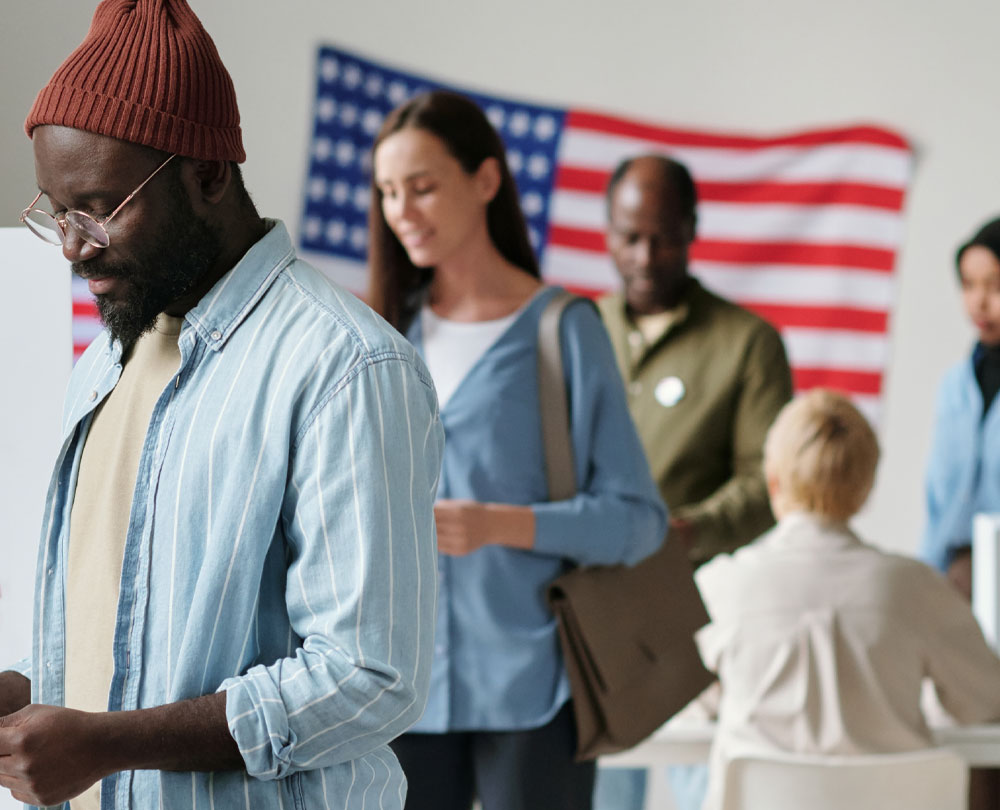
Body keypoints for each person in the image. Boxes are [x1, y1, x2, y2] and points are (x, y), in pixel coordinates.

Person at [0, 2, 445, 808]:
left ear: (208, 175)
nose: (74, 246)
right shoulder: (109, 357)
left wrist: (109, 744)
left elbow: (369, 676)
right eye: (56, 211)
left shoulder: (347, 367)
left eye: (101, 208)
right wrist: (6, 695)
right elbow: (131, 632)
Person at [367, 90, 668, 810]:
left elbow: (638, 519)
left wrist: (503, 525)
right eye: (387, 192)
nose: (402, 209)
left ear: (486, 181)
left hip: (537, 690)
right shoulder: (378, 337)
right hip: (397, 686)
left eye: (423, 186)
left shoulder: (565, 331)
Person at [592, 154, 793, 810]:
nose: (646, 256)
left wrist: (685, 533)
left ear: (693, 230)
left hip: (702, 608)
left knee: (702, 788)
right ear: (607, 234)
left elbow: (768, 485)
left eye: (664, 236)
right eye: (630, 237)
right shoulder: (578, 330)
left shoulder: (747, 343)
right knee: (603, 790)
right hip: (585, 609)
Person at [689, 389, 1000, 809]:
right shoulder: (916, 587)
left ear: (773, 480)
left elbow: (691, 707)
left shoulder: (720, 587)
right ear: (866, 485)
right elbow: (985, 700)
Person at [921, 216, 1000, 597]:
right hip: (952, 577)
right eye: (969, 285)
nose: (979, 301)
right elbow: (936, 499)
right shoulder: (954, 385)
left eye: (996, 286)